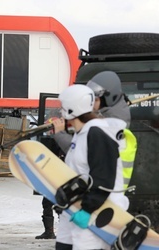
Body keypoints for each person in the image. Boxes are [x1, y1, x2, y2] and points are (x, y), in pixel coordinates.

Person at [55, 84, 129, 249]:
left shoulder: (97, 134)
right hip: (76, 209)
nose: (60, 112)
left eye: (62, 107)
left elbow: (103, 177)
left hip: (95, 213)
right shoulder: (81, 134)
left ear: (71, 109)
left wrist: (87, 210)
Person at [52, 71, 137, 188]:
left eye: (95, 100)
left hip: (104, 190)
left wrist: (59, 133)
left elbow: (79, 151)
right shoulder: (105, 112)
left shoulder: (113, 122)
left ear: (107, 98)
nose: (91, 104)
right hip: (96, 184)